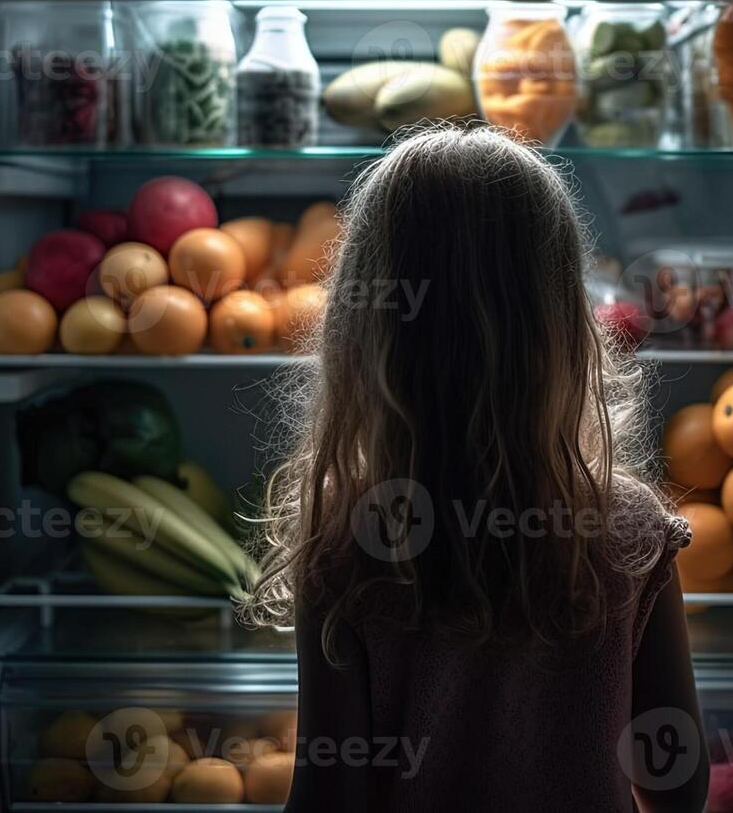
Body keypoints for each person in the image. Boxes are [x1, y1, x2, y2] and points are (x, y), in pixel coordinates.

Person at [241, 126, 708, 813]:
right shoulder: (628, 530)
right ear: (562, 324)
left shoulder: (348, 539)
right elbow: (677, 784)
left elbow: (327, 794)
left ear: (366, 334)